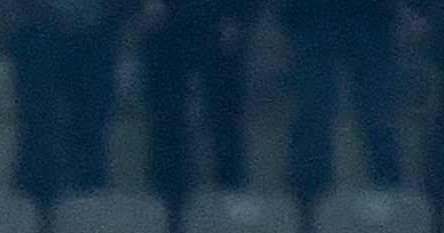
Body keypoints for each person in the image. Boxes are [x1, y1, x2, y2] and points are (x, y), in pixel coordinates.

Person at [8, 0, 126, 194]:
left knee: (91, 124)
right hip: (38, 29)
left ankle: (88, 192)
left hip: (96, 33)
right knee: (39, 124)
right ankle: (35, 195)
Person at [140, 0, 254, 195]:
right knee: (167, 110)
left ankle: (229, 182)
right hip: (167, 24)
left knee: (224, 110)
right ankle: (167, 182)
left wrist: (237, 14)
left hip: (217, 20)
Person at [280, 0, 397, 191]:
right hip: (312, 17)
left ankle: (391, 199)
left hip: (369, 18)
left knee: (376, 111)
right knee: (314, 109)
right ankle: (310, 197)